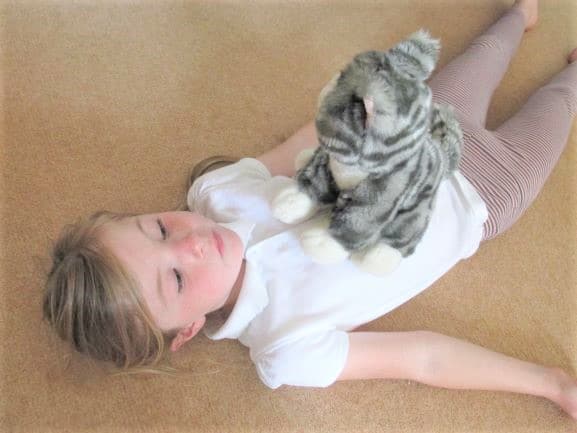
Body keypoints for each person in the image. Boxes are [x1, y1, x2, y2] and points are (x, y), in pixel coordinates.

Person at [42, 0, 577, 420]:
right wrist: (548, 382)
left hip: (421, 122)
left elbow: (300, 141)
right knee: (560, 103)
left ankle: (519, 15)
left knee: (486, 52)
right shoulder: (285, 347)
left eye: (158, 227)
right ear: (187, 330)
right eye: (177, 279)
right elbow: (423, 358)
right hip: (483, 193)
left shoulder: (217, 192)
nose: (190, 242)